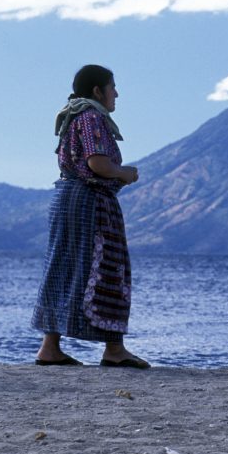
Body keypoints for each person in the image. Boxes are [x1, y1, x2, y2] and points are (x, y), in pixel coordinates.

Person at [31, 64, 149, 368]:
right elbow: (97, 163)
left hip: (68, 197)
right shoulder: (92, 116)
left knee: (64, 268)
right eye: (112, 86)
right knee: (108, 267)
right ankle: (114, 349)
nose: (117, 93)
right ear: (98, 90)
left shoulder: (74, 115)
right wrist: (125, 173)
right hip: (89, 200)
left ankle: (50, 347)